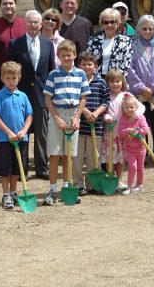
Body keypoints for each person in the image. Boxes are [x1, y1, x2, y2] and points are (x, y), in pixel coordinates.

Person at [8, 10, 56, 179]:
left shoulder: (48, 44)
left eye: (37, 22)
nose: (34, 25)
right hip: (21, 94)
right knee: (23, 132)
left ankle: (41, 168)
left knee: (42, 134)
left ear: (41, 24)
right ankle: (22, 169)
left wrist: (51, 93)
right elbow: (10, 70)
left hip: (42, 94)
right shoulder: (15, 44)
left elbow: (51, 71)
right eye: (30, 22)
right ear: (25, 24)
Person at [43, 39, 90, 206]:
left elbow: (83, 98)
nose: (66, 58)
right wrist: (56, 117)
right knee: (55, 154)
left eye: (69, 55)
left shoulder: (81, 74)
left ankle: (67, 187)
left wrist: (77, 117)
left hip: (73, 115)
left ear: (74, 55)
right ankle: (53, 190)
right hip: (57, 114)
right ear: (58, 57)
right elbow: (48, 99)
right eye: (63, 56)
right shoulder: (53, 75)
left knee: (68, 155)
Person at [0, 61, 33, 210]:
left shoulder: (23, 96)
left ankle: (14, 192)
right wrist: (8, 132)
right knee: (5, 168)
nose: (11, 81)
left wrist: (24, 131)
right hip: (4, 139)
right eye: (8, 78)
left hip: (21, 138)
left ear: (19, 78)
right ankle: (6, 194)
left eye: (14, 78)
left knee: (17, 168)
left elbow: (29, 115)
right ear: (2, 78)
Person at [127, 15, 154, 160]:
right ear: (139, 29)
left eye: (150, 28)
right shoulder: (133, 45)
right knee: (140, 126)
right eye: (144, 28)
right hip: (138, 94)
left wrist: (153, 88)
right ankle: (142, 156)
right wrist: (141, 88)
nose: (147, 31)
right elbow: (130, 70)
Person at [73, 52, 108, 194]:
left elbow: (106, 102)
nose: (87, 67)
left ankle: (93, 183)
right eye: (83, 64)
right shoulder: (75, 82)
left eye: (90, 64)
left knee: (95, 157)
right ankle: (78, 184)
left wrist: (96, 113)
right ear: (78, 66)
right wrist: (85, 112)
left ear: (96, 66)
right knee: (77, 158)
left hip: (96, 126)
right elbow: (73, 101)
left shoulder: (101, 82)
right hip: (79, 127)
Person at [0, 0, 27, 95]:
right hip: (0, 80)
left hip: (23, 78)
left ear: (15, 5)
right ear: (0, 6)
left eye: (11, 3)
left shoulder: (25, 25)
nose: (8, 6)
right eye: (5, 4)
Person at [85, 7, 133, 77]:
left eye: (112, 22)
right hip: (97, 81)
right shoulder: (93, 41)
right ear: (101, 24)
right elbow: (88, 62)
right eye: (105, 22)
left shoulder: (126, 41)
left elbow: (126, 65)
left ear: (118, 23)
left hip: (117, 81)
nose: (109, 25)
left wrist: (115, 81)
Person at [104, 69, 131, 181]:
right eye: (112, 81)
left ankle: (119, 180)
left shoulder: (125, 96)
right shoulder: (106, 96)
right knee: (109, 158)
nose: (115, 84)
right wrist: (106, 117)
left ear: (123, 82)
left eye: (118, 81)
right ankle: (110, 178)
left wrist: (133, 116)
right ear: (107, 83)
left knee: (120, 159)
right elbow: (102, 111)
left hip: (121, 135)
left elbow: (140, 107)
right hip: (109, 134)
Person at [118, 95, 149, 194]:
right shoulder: (123, 118)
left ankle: (139, 185)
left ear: (136, 107)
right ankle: (130, 187)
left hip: (141, 148)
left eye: (132, 107)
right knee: (132, 167)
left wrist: (136, 132)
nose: (129, 109)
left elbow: (145, 130)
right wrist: (128, 130)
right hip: (129, 149)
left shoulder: (141, 118)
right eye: (127, 108)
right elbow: (121, 132)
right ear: (123, 108)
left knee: (140, 168)